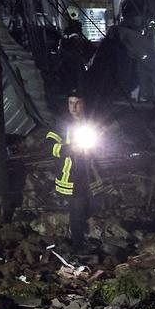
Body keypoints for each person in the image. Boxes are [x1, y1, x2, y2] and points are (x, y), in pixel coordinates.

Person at [46, 93, 101, 244]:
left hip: (89, 175)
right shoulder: (61, 125)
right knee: (77, 209)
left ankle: (85, 236)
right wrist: (70, 149)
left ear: (83, 104)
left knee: (92, 206)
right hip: (70, 177)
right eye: (71, 103)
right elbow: (50, 147)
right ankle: (77, 244)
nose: (74, 107)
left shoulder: (91, 123)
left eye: (77, 103)